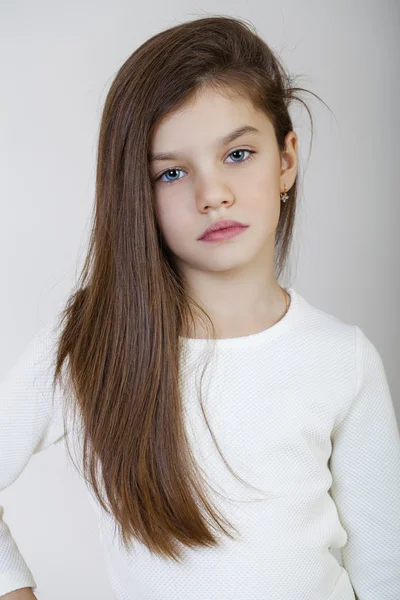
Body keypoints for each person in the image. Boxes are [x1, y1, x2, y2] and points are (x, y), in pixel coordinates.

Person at [1, 14, 399, 600]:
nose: (211, 194)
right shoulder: (94, 340)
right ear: (136, 191)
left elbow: (385, 567)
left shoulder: (343, 359)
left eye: (238, 154)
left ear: (286, 159)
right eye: (172, 172)